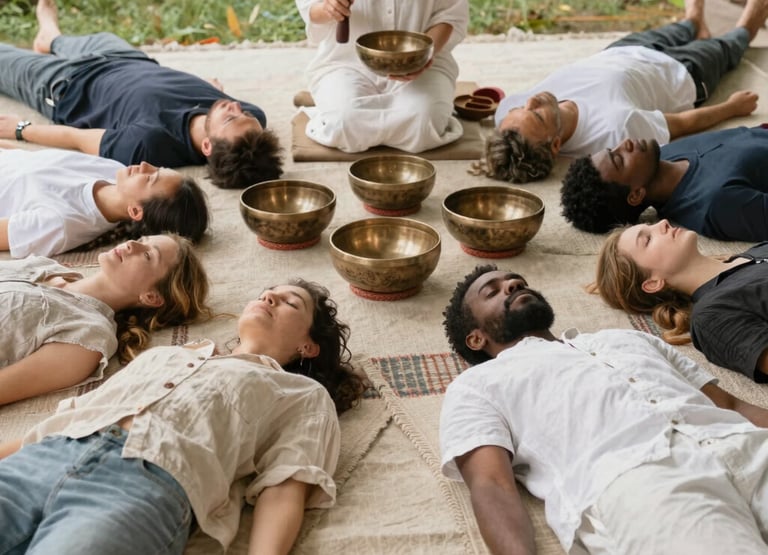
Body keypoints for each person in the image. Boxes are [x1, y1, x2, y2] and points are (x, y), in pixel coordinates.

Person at [0, 279, 364, 554]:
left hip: (141, 487)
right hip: (44, 458)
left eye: (290, 303)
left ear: (307, 346)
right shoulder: (167, 355)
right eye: (268, 292)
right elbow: (71, 416)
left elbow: (285, 487)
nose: (269, 297)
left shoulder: (302, 394)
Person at [440, 264, 768, 555]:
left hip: (745, 444)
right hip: (645, 483)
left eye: (516, 280)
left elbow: (732, 404)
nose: (512, 285)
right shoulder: (476, 385)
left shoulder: (627, 339)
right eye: (493, 292)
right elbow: (491, 485)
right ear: (475, 339)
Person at [0, 0, 282, 189]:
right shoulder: (253, 120)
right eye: (242, 112)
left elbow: (77, 138)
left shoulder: (148, 144)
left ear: (207, 147)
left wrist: (22, 129)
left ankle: (49, 43)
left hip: (66, 83)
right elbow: (240, 116)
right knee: (69, 40)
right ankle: (49, 36)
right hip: (128, 58)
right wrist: (212, 95)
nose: (235, 106)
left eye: (231, 118)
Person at [485, 0, 767, 183]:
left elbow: (506, 144)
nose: (530, 100)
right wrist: (731, 108)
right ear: (556, 144)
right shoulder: (613, 131)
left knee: (683, 26)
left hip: (622, 50)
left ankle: (694, 21)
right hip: (682, 74)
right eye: (537, 114)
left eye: (519, 109)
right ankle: (749, 22)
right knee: (732, 42)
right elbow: (679, 124)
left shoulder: (507, 117)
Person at [0, 233, 211, 406]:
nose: (132, 244)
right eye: (142, 239)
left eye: (147, 255)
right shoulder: (45, 266)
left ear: (151, 296)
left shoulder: (87, 338)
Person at [595, 219, 768, 383]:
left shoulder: (759, 250)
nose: (663, 223)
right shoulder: (711, 317)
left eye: (651, 224)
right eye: (647, 239)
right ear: (653, 283)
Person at [295, 0, 468, 153]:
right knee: (344, 122)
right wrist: (329, 7)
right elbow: (310, 8)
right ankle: (338, 102)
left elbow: (449, 15)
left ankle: (341, 105)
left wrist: (424, 55)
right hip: (346, 62)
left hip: (421, 61)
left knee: (425, 123)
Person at [560, 125, 768, 240]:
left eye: (613, 149)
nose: (626, 143)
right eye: (619, 159)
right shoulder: (716, 205)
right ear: (635, 195)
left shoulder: (662, 156)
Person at [0, 147, 209, 258]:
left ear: (136, 210)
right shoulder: (111, 169)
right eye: (157, 168)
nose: (145, 165)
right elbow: (27, 159)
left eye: (149, 178)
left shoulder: (62, 223)